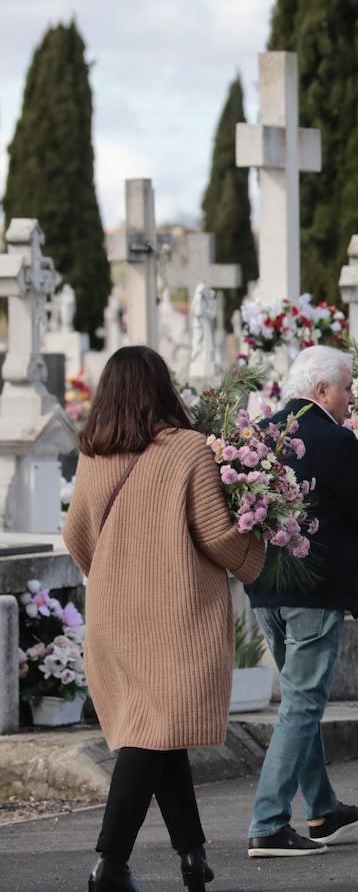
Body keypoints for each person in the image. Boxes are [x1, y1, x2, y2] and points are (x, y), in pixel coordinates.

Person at [62, 346, 266, 892]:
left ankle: (193, 856)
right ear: (161, 388)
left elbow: (77, 536)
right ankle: (110, 863)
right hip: (174, 617)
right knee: (150, 734)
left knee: (159, 729)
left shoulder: (93, 453)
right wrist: (260, 543)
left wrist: (113, 577)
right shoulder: (189, 450)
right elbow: (218, 535)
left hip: (113, 615)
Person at [244, 345, 358, 857]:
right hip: (314, 589)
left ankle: (324, 809)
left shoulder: (262, 435)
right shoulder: (333, 439)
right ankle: (267, 822)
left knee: (296, 703)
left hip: (265, 587)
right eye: (348, 388)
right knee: (304, 705)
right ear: (322, 390)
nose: (352, 397)